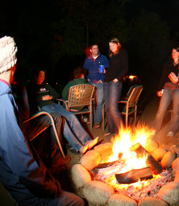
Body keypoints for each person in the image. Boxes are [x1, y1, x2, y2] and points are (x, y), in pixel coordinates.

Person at [0, 36, 85, 206]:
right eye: (39, 74)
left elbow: (55, 95)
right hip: (28, 192)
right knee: (79, 203)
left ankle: (60, 154)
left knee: (62, 116)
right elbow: (19, 160)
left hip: (49, 110)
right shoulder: (5, 101)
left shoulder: (9, 95)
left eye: (43, 75)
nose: (41, 77)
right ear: (13, 65)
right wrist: (48, 186)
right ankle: (60, 155)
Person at [27, 68, 98, 154]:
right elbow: (30, 100)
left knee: (71, 115)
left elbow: (57, 95)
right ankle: (79, 147)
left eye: (43, 76)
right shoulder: (31, 88)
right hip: (44, 108)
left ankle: (87, 141)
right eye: (40, 76)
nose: (42, 77)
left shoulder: (47, 86)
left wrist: (50, 97)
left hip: (54, 105)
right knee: (61, 119)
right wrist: (42, 98)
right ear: (35, 76)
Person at [151, 46, 179, 137]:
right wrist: (159, 88)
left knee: (176, 110)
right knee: (161, 109)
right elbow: (163, 76)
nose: (173, 53)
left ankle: (172, 130)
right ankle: (155, 128)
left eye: (175, 52)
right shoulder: (168, 63)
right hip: (167, 87)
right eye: (172, 52)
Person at [103, 37, 128, 136]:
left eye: (113, 45)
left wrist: (118, 78)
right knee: (108, 108)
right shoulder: (112, 55)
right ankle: (111, 130)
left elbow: (125, 67)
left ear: (118, 44)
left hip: (114, 82)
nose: (111, 47)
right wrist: (106, 72)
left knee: (113, 108)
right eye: (110, 46)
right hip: (106, 82)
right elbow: (113, 69)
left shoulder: (123, 53)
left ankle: (122, 132)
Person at [83, 44, 109, 129]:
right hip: (91, 84)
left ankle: (97, 121)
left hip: (100, 83)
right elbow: (85, 71)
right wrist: (87, 79)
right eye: (94, 48)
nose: (96, 49)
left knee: (99, 102)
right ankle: (92, 119)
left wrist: (103, 78)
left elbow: (108, 69)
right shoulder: (88, 60)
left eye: (97, 48)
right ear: (91, 50)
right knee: (91, 102)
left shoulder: (103, 58)